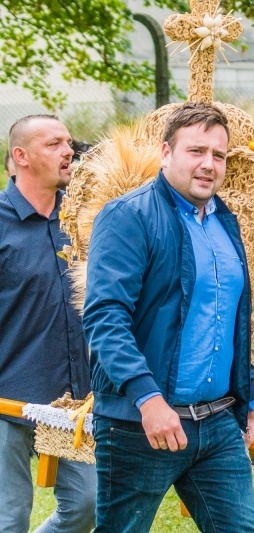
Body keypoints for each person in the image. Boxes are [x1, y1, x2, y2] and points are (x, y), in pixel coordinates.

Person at [82, 102, 254, 532]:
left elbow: (230, 321)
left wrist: (252, 400)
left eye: (218, 156)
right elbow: (105, 318)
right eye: (196, 151)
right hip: (141, 425)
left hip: (218, 423)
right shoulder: (129, 217)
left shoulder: (225, 221)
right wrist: (148, 400)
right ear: (166, 152)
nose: (208, 165)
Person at [0, 114, 95, 532]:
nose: (68, 151)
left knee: (87, 505)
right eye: (54, 144)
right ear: (21, 156)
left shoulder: (82, 221)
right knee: (8, 517)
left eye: (68, 142)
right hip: (6, 397)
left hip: (75, 400)